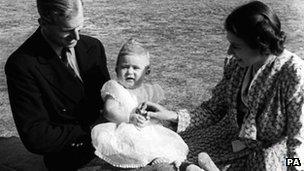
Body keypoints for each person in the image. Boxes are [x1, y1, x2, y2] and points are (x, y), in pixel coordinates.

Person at [145, 1, 304, 170]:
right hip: (229, 141)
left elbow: (298, 142)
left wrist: (292, 167)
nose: (229, 52)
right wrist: (171, 116)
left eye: (235, 46)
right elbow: (213, 110)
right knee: (166, 154)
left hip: (273, 156)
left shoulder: (293, 73)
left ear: (259, 44)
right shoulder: (238, 65)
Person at [5, 0, 110, 170]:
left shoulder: (93, 47)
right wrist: (91, 129)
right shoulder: (23, 65)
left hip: (110, 144)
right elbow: (37, 136)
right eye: (67, 30)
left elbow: (107, 99)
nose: (76, 37)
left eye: (80, 27)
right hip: (71, 157)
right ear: (44, 22)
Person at [91, 38, 189, 169]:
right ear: (116, 69)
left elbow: (155, 114)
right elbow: (109, 111)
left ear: (146, 71)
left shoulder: (149, 91)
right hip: (122, 130)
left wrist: (149, 117)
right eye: (125, 67)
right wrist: (129, 118)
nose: (130, 72)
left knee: (160, 145)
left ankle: (163, 162)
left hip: (145, 130)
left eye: (135, 68)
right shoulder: (115, 88)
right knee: (130, 149)